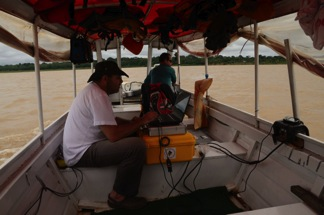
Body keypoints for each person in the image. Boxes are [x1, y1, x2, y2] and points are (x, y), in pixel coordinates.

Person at [63, 61, 158, 210]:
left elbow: (111, 121)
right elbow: (113, 135)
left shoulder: (94, 91)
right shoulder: (97, 95)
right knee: (136, 146)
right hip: (81, 153)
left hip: (80, 148)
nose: (121, 81)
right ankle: (118, 197)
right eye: (117, 78)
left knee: (133, 133)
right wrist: (143, 120)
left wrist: (135, 123)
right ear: (105, 79)